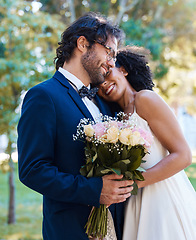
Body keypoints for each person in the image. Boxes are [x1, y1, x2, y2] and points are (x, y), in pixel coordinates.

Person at [17, 12, 134, 240]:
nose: (112, 62)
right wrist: (94, 190)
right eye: (109, 51)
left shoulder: (104, 100)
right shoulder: (43, 96)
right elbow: (33, 170)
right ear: (82, 43)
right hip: (70, 230)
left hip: (117, 228)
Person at [98, 46, 196, 240]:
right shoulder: (116, 119)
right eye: (98, 84)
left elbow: (183, 155)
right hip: (135, 203)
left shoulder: (145, 99)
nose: (104, 85)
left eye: (107, 73)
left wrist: (132, 183)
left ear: (123, 69)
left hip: (162, 199)